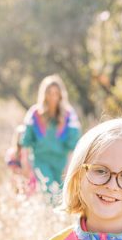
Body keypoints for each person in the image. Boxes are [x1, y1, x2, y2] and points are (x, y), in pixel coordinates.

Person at [20, 74, 81, 202]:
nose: (53, 96)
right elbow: (26, 140)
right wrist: (25, 162)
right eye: (49, 93)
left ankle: (58, 219)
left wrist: (70, 166)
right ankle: (51, 216)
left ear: (61, 95)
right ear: (44, 94)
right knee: (49, 191)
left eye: (56, 93)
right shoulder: (34, 113)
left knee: (62, 194)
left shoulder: (69, 114)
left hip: (62, 162)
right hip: (41, 160)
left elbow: (74, 143)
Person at [5, 124, 36, 196]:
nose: (23, 138)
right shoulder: (12, 152)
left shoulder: (32, 152)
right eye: (20, 135)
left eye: (24, 135)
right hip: (17, 181)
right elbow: (12, 170)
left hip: (30, 181)